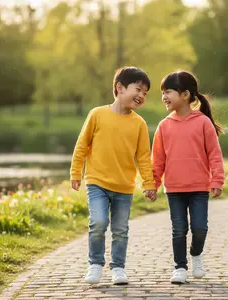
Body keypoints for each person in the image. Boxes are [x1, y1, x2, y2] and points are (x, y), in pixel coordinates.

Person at [70, 66, 157, 285]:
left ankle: (118, 268)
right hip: (97, 182)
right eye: (138, 89)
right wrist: (76, 172)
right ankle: (95, 264)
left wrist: (149, 183)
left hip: (124, 186)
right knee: (98, 222)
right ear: (119, 87)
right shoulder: (97, 114)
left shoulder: (139, 124)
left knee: (120, 230)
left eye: (145, 93)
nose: (141, 96)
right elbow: (82, 145)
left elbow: (144, 157)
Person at [152, 71, 225, 284]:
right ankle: (180, 267)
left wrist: (217, 180)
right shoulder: (164, 126)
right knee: (179, 229)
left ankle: (196, 254)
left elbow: (214, 154)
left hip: (199, 187)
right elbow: (157, 160)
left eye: (168, 92)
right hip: (174, 188)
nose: (164, 97)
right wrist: (153, 184)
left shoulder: (203, 123)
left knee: (200, 228)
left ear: (185, 94)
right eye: (162, 93)